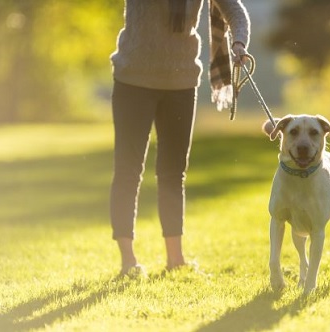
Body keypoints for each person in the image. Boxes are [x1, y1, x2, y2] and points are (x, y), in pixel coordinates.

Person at [110, 0, 250, 276]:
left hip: (181, 83)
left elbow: (234, 11)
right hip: (133, 81)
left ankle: (176, 258)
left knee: (173, 172)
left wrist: (239, 44)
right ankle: (128, 260)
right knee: (128, 170)